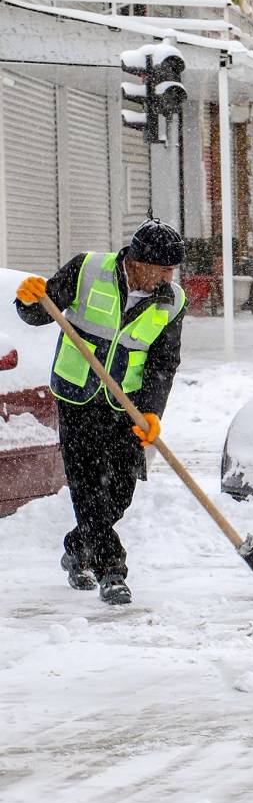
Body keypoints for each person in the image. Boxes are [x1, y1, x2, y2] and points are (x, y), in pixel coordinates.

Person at [13, 219, 188, 605]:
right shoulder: (87, 269)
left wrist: (152, 412)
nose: (166, 278)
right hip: (77, 399)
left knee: (121, 492)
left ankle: (79, 548)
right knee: (89, 487)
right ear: (138, 261)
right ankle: (111, 570)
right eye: (161, 269)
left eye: (171, 271)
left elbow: (163, 363)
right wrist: (28, 298)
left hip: (124, 405)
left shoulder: (171, 301)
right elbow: (40, 313)